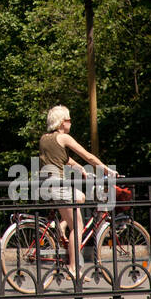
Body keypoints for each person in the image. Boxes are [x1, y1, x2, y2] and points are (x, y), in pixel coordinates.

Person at [38, 105, 116, 270]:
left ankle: (61, 226)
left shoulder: (44, 138)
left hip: (45, 184)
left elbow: (60, 159)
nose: (70, 123)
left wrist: (79, 168)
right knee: (78, 227)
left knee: (79, 196)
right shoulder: (64, 138)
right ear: (61, 123)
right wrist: (106, 169)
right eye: (69, 120)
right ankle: (73, 268)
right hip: (57, 184)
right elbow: (88, 155)